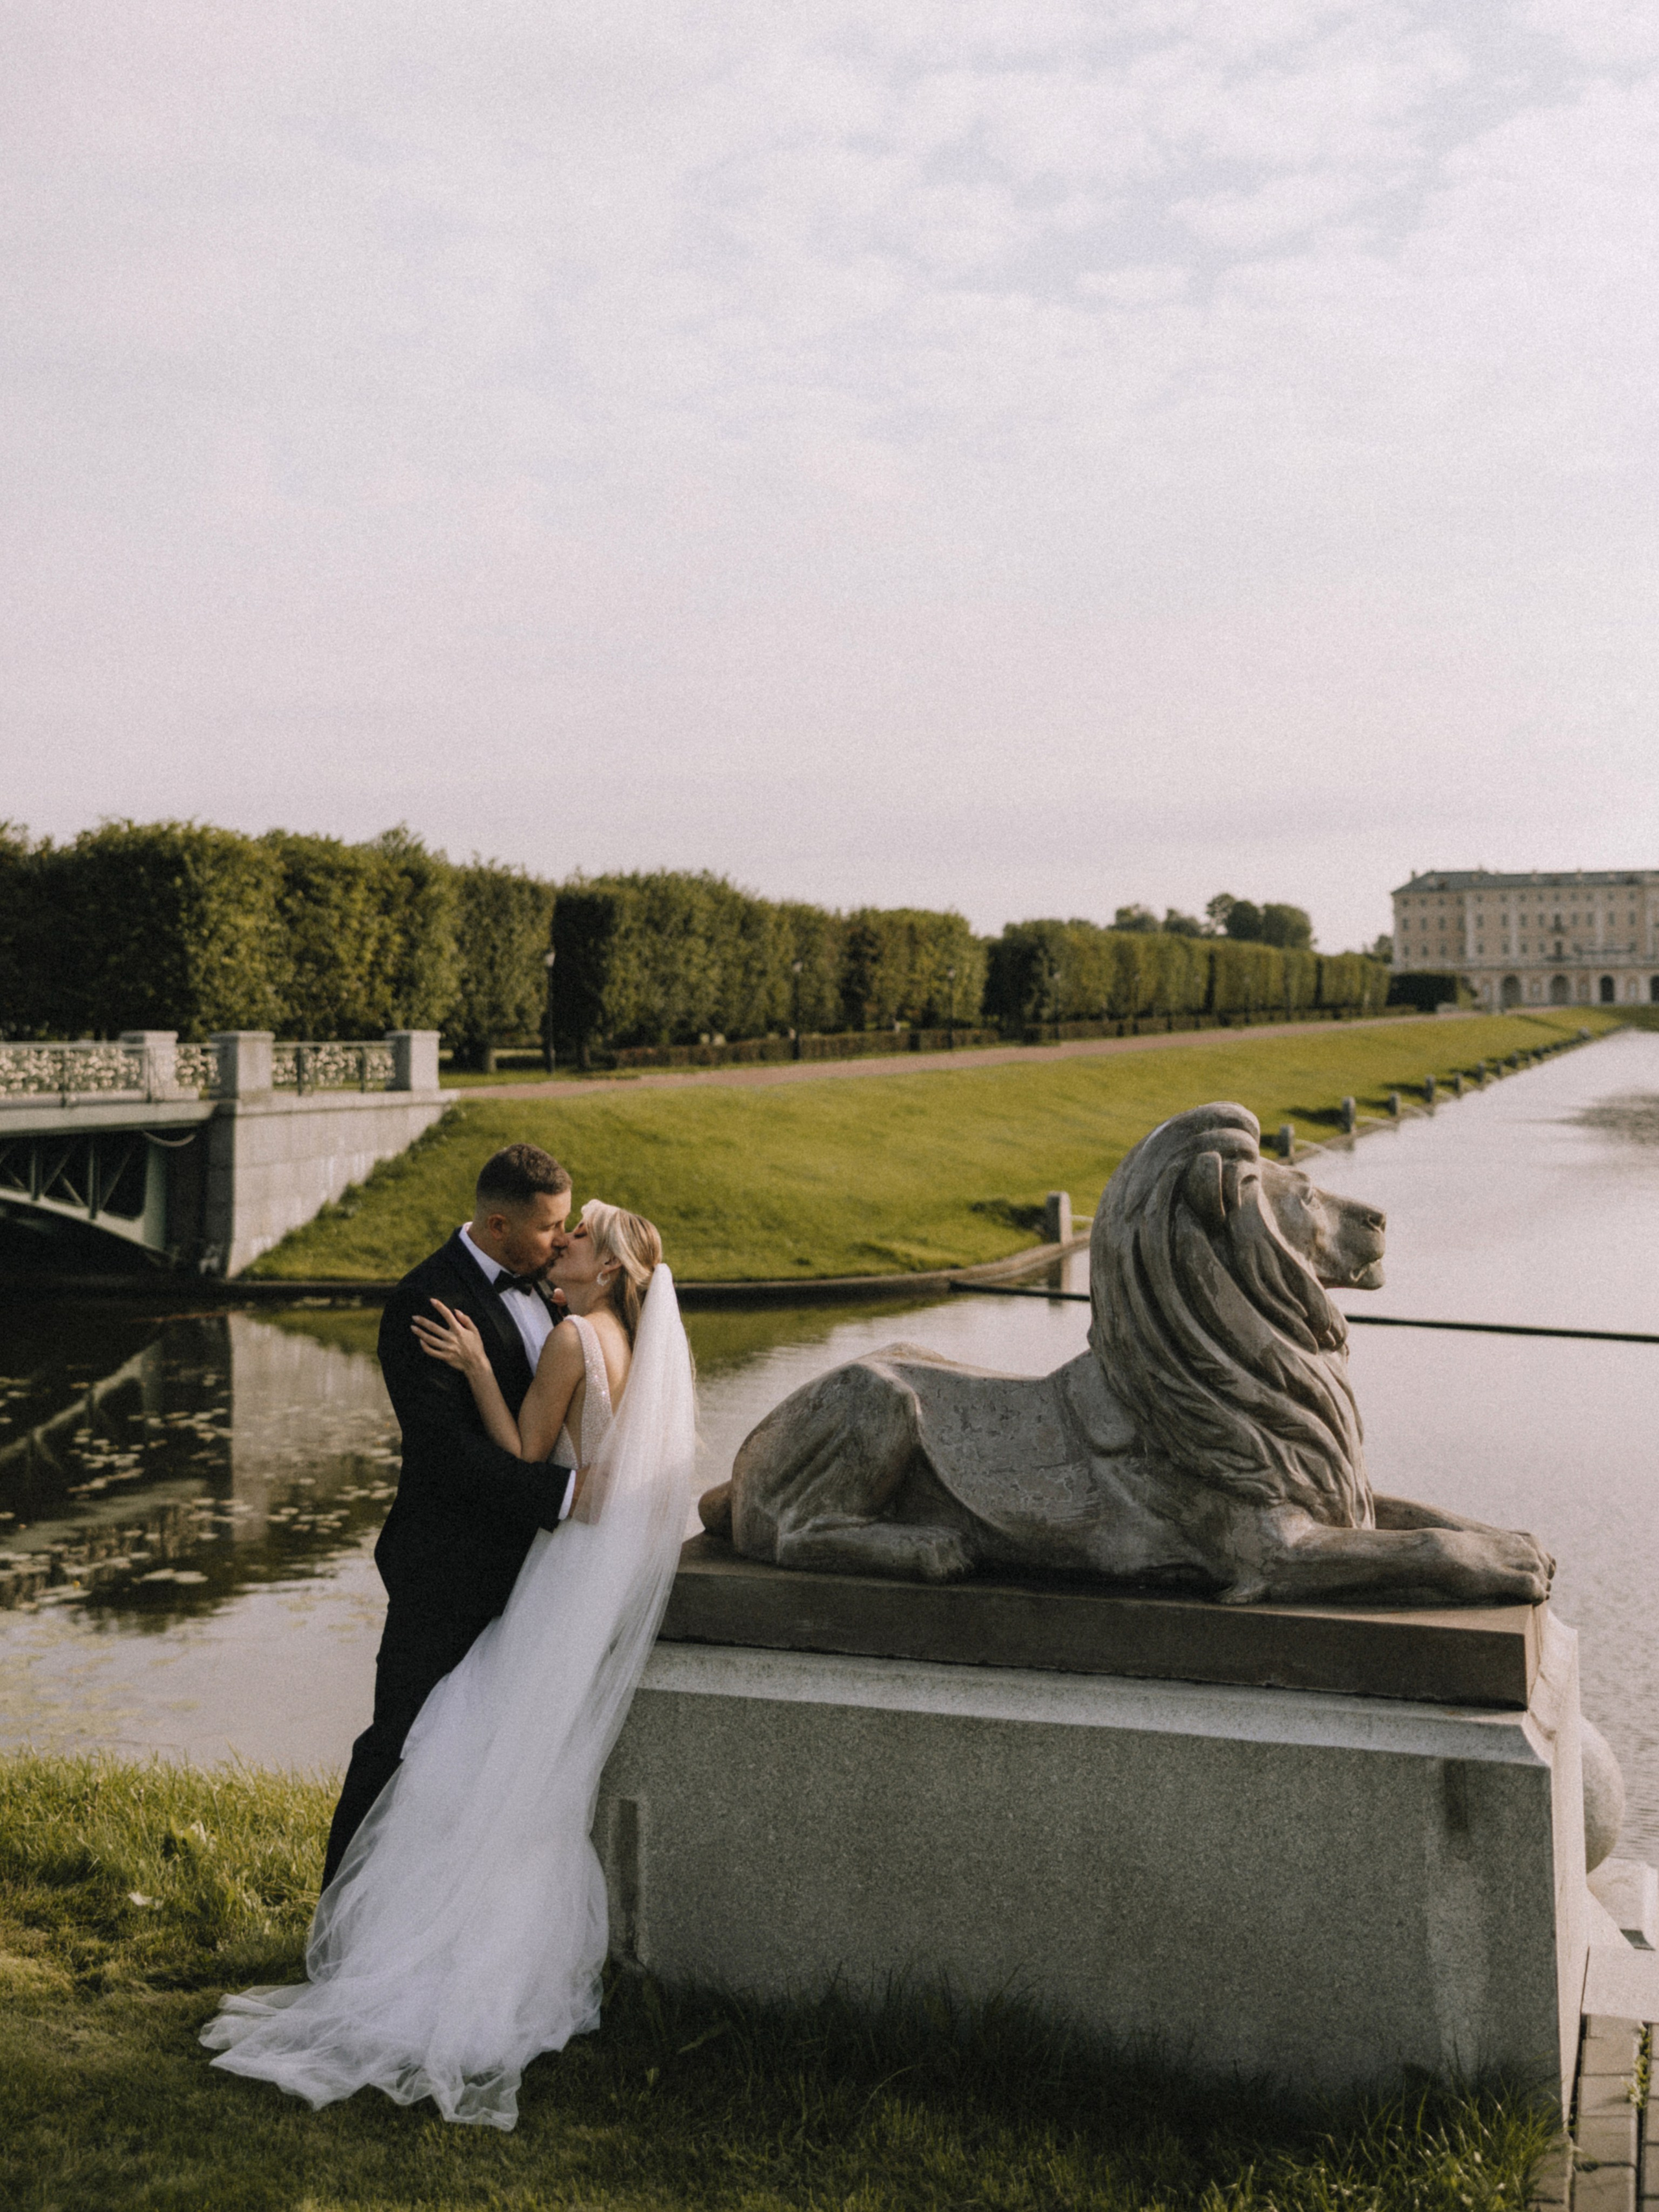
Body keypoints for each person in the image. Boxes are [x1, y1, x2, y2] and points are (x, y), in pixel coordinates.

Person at [202, 1196, 694, 2129]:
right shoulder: (632, 1346)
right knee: (520, 1764)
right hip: (590, 1569)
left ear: (608, 1271)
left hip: (556, 1571)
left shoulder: (569, 1339)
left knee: (463, 1744)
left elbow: (522, 1450)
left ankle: (418, 1951)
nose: (565, 1242)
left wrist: (474, 1367)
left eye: (580, 1235)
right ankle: (487, 1953)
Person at [318, 1142, 578, 1891]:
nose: (561, 1240)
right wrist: (564, 1497)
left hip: (537, 1568)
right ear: (498, 1224)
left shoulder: (556, 1289)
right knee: (399, 1737)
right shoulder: (425, 1301)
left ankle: (450, 1899)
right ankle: (336, 1911)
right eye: (548, 1226)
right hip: (448, 1566)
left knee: (498, 1747)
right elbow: (445, 1454)